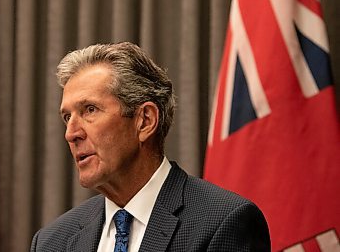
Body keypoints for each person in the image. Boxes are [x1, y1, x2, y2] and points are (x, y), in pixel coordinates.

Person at [30, 42, 270, 252]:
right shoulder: (52, 242)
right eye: (67, 117)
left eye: (89, 110)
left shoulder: (223, 223)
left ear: (145, 121)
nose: (71, 134)